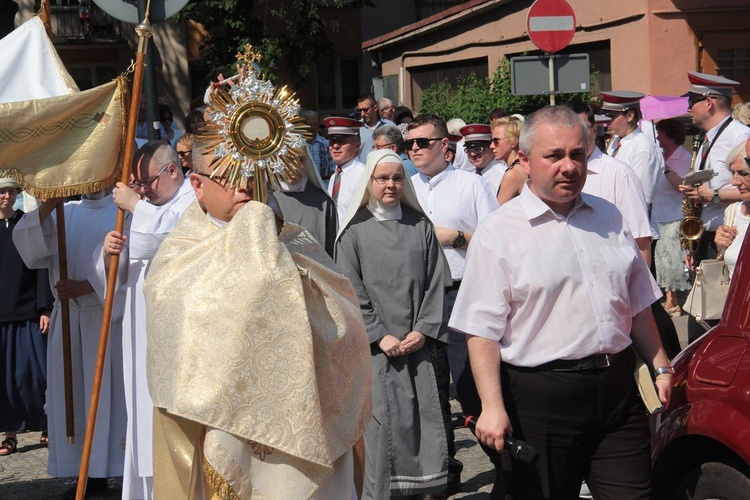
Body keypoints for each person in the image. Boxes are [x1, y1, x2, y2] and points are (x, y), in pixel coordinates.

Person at [449, 106, 672, 500]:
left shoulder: (610, 216)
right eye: (554, 156)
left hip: (618, 396)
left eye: (577, 155)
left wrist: (660, 365)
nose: (568, 166)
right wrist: (492, 407)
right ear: (524, 160)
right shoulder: (498, 232)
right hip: (541, 401)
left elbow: (637, 303)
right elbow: (481, 330)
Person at [141, 138, 371, 499]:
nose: (243, 186)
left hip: (307, 421)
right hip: (219, 426)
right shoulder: (178, 259)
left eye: (251, 174)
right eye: (227, 176)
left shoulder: (295, 241)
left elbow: (344, 320)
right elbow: (176, 335)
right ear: (197, 185)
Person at [335, 149, 449, 498]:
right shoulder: (353, 234)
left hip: (417, 348)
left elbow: (436, 281)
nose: (391, 185)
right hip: (376, 353)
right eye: (382, 178)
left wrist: (423, 328)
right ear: (370, 183)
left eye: (397, 178)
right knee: (382, 431)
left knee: (423, 423)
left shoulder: (421, 228)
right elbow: (349, 290)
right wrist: (378, 335)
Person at [13, 185, 127, 498]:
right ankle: (83, 474)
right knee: (72, 398)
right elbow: (27, 245)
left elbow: (127, 265)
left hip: (102, 318)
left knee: (102, 396)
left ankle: (106, 472)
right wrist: (50, 206)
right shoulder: (67, 211)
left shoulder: (120, 211)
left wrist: (86, 286)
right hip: (67, 317)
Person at [97, 141, 196, 500]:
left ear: (172, 170)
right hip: (140, 331)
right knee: (143, 418)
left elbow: (175, 236)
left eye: (147, 182)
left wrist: (136, 206)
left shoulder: (192, 198)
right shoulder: (150, 207)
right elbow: (121, 277)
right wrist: (111, 254)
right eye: (137, 185)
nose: (143, 190)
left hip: (180, 334)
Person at [407, 113, 499, 494]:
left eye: (422, 142)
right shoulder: (405, 187)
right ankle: (445, 472)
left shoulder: (471, 185)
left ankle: (504, 464)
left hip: (461, 292)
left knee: (467, 386)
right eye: (409, 143)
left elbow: (498, 243)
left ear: (445, 147)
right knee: (430, 390)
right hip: (417, 297)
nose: (414, 149)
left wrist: (459, 238)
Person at [678, 72, 750, 342]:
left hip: (730, 236)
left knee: (715, 320)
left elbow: (745, 185)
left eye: (692, 100)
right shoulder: (705, 138)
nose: (688, 108)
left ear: (709, 102)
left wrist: (714, 195)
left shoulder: (739, 136)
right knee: (701, 316)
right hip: (708, 235)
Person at [0, 177, 52, 457]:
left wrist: (45, 307)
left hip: (30, 312)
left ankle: (48, 424)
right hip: (1, 314)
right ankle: (9, 435)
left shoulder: (27, 223)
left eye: (10, 191)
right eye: (1, 192)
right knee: (5, 380)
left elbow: (41, 264)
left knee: (38, 374)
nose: (6, 197)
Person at [653, 119, 692, 315]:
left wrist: (665, 167)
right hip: (657, 214)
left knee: (672, 260)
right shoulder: (657, 155)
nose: (657, 137)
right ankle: (670, 296)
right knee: (661, 259)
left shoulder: (684, 157)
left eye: (660, 133)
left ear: (671, 135)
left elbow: (681, 187)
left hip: (674, 214)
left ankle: (673, 299)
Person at [602, 91, 665, 208]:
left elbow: (640, 197)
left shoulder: (642, 149)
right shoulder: (615, 142)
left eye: (612, 116)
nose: (607, 121)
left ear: (630, 116)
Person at [272, 155, 338, 257]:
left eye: (301, 159)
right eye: (288, 159)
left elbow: (334, 254)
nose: (295, 167)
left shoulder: (323, 202)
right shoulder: (264, 199)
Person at [714, 139, 750, 277]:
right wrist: (721, 244)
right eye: (733, 173)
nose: (734, 182)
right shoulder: (733, 211)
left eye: (743, 173)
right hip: (736, 296)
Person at [324, 116, 367, 225]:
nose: (336, 146)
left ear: (357, 145)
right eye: (332, 141)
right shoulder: (335, 176)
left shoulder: (362, 175)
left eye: (342, 141)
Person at [490, 116, 526, 205]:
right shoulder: (523, 166)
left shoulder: (513, 174)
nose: (491, 146)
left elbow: (497, 214)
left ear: (514, 141)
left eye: (496, 141)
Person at [460, 123, 505, 196]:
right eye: (468, 150)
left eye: (478, 149)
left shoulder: (502, 175)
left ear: (490, 147)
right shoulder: (470, 176)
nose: (472, 154)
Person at [357, 93, 396, 164]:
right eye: (360, 110)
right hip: (364, 172)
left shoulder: (390, 126)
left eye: (366, 110)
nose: (362, 114)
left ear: (375, 108)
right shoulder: (357, 128)